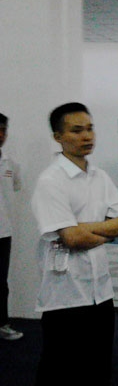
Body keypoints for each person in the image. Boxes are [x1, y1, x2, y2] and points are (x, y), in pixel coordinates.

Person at [31, 102, 118, 385]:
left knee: (98, 368)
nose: (87, 136)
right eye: (76, 131)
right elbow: (72, 239)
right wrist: (102, 232)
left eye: (89, 129)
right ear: (58, 137)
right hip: (65, 296)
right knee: (61, 371)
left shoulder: (100, 177)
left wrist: (83, 227)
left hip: (101, 292)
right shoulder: (50, 181)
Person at [0, 113, 23, 341]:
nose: (0, 135)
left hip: (3, 232)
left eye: (3, 130)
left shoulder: (11, 164)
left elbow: (16, 187)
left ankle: (2, 324)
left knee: (0, 282)